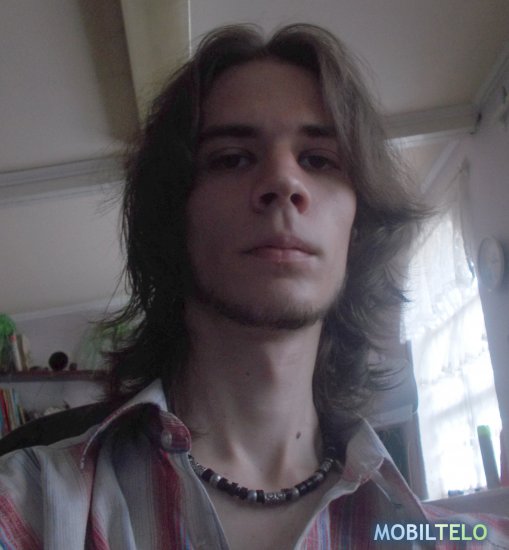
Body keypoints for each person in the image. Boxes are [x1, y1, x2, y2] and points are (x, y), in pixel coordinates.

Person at [0, 23, 508, 549]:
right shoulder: (31, 508)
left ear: (357, 228)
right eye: (232, 158)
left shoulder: (454, 537)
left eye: (319, 160)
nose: (285, 182)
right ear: (174, 217)